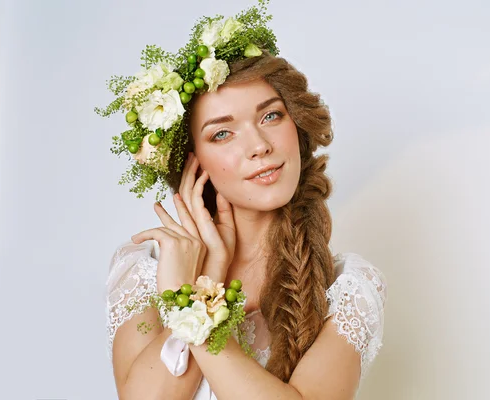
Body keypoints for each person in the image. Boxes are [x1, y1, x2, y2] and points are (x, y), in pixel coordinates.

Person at [102, 2, 387, 398]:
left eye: (271, 116)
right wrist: (210, 273)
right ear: (192, 162)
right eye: (222, 133)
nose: (259, 146)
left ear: (297, 126)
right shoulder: (144, 273)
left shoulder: (348, 290)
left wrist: (193, 302)